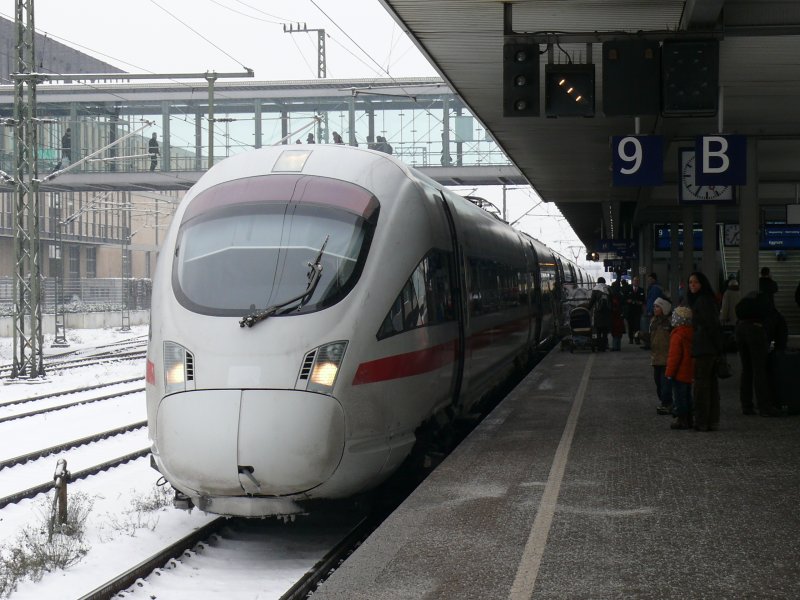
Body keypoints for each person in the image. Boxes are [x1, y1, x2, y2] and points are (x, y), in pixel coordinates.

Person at [686, 271, 723, 431]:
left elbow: (711, 326)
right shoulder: (707, 300)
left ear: (702, 284)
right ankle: (711, 420)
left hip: (704, 348)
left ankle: (701, 421)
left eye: (695, 282)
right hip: (708, 347)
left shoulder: (702, 301)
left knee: (701, 386)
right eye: (690, 282)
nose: (692, 285)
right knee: (711, 385)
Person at [735, 291, 779, 417]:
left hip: (740, 330)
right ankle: (764, 407)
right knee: (759, 370)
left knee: (747, 369)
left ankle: (746, 405)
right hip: (755, 331)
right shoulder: (766, 303)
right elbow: (774, 321)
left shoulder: (746, 301)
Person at [665, 306, 695, 430]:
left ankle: (682, 420)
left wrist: (669, 373)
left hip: (679, 373)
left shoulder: (677, 335)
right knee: (688, 396)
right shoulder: (692, 332)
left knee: (679, 397)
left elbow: (674, 357)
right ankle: (689, 419)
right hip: (689, 371)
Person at [649, 297, 673, 415]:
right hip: (656, 358)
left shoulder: (670, 322)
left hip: (666, 359)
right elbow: (652, 338)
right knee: (658, 383)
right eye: (654, 306)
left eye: (657, 306)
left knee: (665, 384)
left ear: (664, 308)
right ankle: (664, 401)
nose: (654, 308)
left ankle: (667, 403)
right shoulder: (653, 321)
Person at [587, 276, 611, 351]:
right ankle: (604, 346)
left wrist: (587, 308)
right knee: (605, 331)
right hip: (607, 313)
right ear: (604, 282)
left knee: (598, 331)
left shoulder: (595, 289)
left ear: (598, 282)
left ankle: (599, 347)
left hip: (598, 313)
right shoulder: (608, 288)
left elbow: (592, 301)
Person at [641, 272, 663, 349]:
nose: (648, 280)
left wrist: (650, 310)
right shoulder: (654, 287)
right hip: (652, 310)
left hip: (652, 311)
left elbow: (653, 301)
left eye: (650, 279)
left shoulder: (655, 288)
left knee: (651, 328)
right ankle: (649, 344)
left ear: (654, 279)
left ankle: (650, 344)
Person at [625, 275, 645, 344]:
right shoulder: (628, 289)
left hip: (637, 311)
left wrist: (640, 302)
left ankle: (637, 339)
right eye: (635, 280)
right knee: (630, 325)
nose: (636, 282)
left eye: (637, 281)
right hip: (630, 311)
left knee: (637, 326)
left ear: (639, 282)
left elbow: (643, 300)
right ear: (632, 281)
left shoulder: (641, 290)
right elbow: (625, 299)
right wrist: (628, 301)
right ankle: (631, 338)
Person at [609, 278, 625, 351]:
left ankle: (615, 347)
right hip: (620, 314)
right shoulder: (621, 293)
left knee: (615, 331)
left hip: (615, 315)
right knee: (619, 331)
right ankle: (618, 346)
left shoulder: (613, 295)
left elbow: (614, 305)